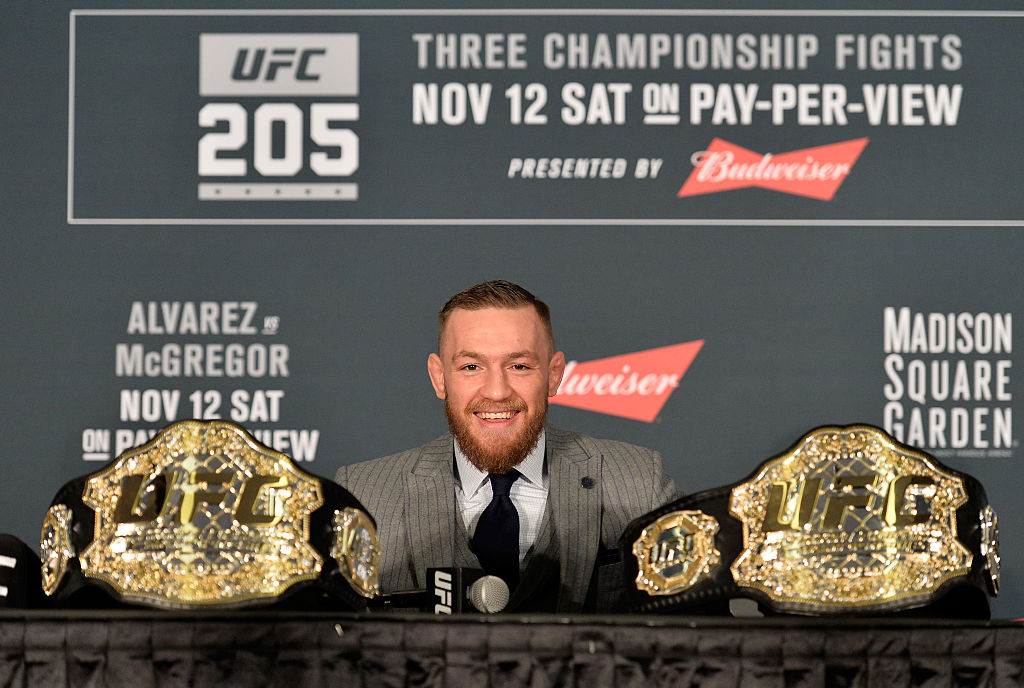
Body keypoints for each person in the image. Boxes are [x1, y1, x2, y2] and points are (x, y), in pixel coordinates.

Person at [335, 280, 679, 612]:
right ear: (439, 377)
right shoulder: (363, 496)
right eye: (471, 366)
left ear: (554, 374)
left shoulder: (640, 484)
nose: (497, 391)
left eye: (519, 366)